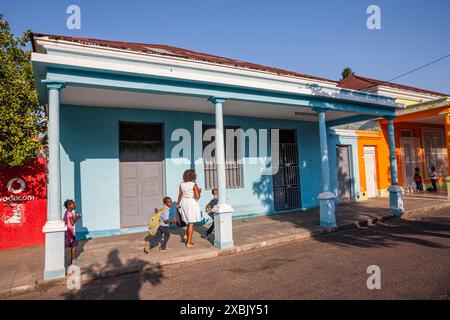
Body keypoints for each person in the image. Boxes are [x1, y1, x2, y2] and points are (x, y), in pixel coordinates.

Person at [177, 169, 202, 248]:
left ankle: (186, 235)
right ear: (193, 176)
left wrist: (178, 204)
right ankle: (189, 242)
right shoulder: (194, 185)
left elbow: (180, 196)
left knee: (189, 221)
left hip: (184, 202)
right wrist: (199, 191)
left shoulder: (182, 185)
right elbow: (197, 197)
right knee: (191, 222)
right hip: (191, 203)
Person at [63, 199, 81, 264]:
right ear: (69, 205)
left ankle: (73, 260)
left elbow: (70, 221)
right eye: (73, 204)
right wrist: (77, 217)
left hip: (68, 233)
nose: (75, 205)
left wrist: (75, 217)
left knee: (74, 244)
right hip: (69, 234)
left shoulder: (67, 212)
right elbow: (72, 223)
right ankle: (72, 260)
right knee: (69, 245)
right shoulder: (70, 214)